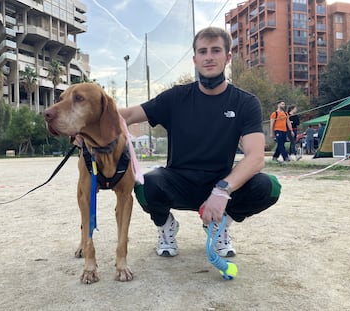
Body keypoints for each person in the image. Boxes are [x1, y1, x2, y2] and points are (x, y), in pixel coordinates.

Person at [120, 27, 281, 258]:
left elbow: (255, 158)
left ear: (227, 57)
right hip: (179, 182)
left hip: (220, 182)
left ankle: (219, 224)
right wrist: (83, 122)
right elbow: (126, 115)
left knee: (268, 187)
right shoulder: (176, 97)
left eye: (216, 50)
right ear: (195, 59)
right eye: (203, 51)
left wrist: (223, 190)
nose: (209, 57)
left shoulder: (245, 103)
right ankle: (166, 226)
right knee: (146, 184)